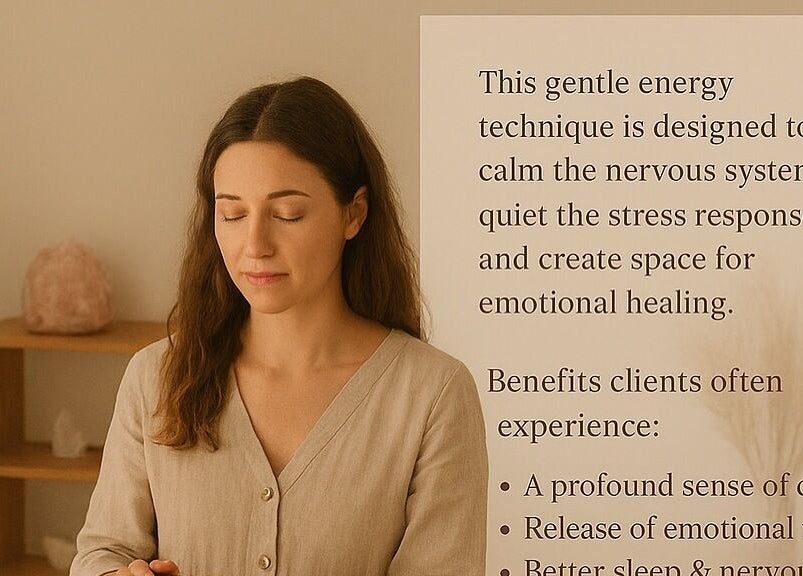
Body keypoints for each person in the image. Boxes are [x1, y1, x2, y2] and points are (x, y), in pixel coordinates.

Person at [69, 76, 488, 576]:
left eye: (287, 214)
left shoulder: (433, 395)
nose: (255, 245)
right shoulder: (155, 377)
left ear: (354, 214)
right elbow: (102, 552)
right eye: (232, 214)